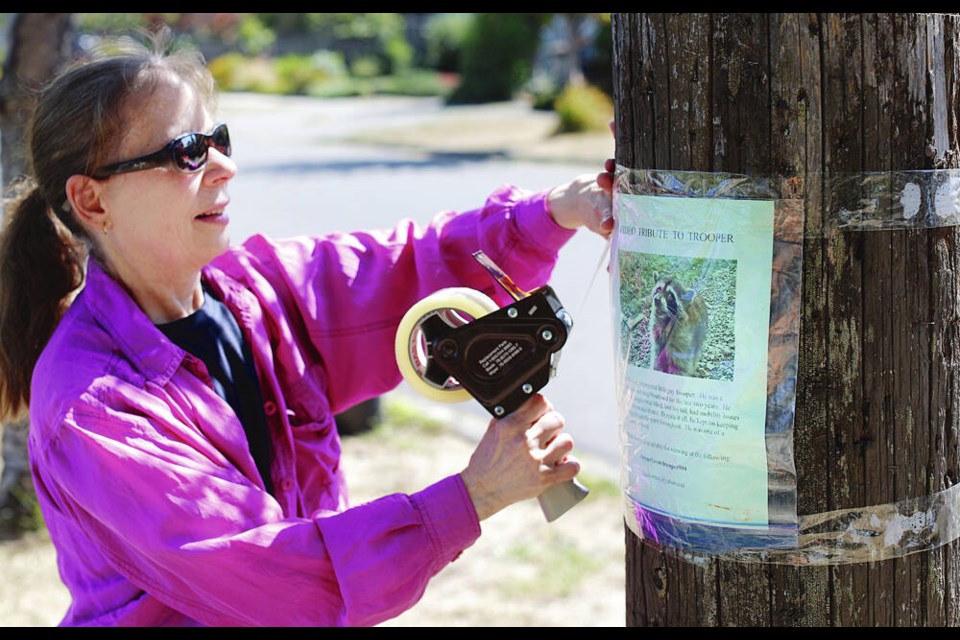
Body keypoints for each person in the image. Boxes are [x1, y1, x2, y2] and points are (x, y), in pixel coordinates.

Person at [0, 31, 614, 627]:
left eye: (218, 139)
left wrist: (561, 208)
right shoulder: (94, 407)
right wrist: (473, 496)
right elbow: (278, 581)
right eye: (186, 151)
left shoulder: (261, 292)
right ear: (93, 202)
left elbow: (406, 269)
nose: (224, 168)